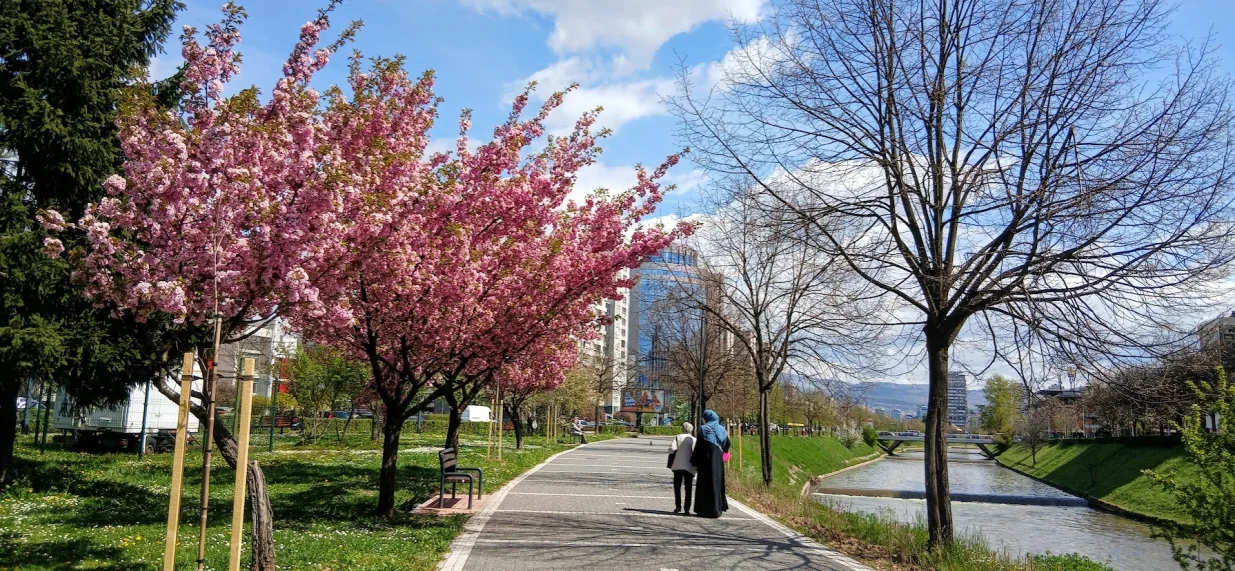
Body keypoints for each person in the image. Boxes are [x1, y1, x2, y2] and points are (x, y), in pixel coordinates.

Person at [690, 409, 730, 518]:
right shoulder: (722, 429)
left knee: (704, 485)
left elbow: (699, 447)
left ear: (706, 418)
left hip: (706, 462)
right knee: (717, 484)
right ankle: (717, 509)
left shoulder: (703, 429)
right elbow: (727, 445)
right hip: (718, 462)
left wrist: (694, 462)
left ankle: (703, 510)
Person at [667, 422, 696, 514]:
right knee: (688, 488)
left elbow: (671, 449)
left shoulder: (678, 437)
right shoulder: (694, 439)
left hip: (678, 465)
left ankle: (678, 506)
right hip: (689, 466)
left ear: (682, 428)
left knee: (677, 486)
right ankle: (687, 509)